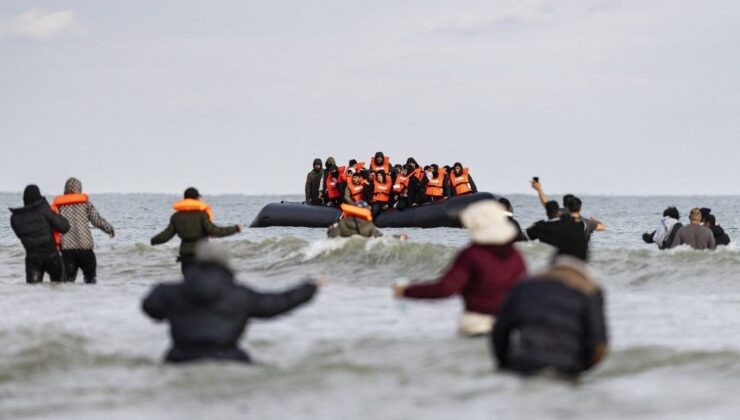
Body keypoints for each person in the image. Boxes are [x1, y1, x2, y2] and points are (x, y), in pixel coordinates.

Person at [142, 241, 321, 364]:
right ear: (226, 264)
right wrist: (310, 287)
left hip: (180, 360)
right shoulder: (239, 294)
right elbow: (277, 303)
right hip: (228, 360)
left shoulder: (173, 293)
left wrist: (167, 294)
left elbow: (149, 306)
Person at [393, 200, 526, 336]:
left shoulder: (472, 254)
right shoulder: (516, 255)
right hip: (508, 325)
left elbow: (446, 288)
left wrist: (406, 291)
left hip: (476, 324)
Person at [492, 254, 608, 377]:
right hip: (565, 368)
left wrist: (503, 363)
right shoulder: (590, 291)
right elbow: (598, 347)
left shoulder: (525, 284)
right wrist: (579, 368)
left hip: (522, 364)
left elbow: (500, 329)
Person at [151, 187, 241, 274]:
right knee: (201, 284)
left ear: (184, 199)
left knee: (188, 283)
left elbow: (166, 235)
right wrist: (235, 229)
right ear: (197, 199)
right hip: (201, 254)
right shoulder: (202, 215)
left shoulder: (176, 216)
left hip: (185, 256)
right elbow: (214, 231)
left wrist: (154, 240)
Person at [51, 177, 115, 284]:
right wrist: (109, 229)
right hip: (85, 249)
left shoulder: (59, 206)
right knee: (90, 281)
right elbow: (96, 220)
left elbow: (52, 225)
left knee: (67, 282)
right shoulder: (86, 204)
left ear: (65, 189)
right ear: (79, 189)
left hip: (67, 250)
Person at [9, 185, 70, 283]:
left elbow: (20, 235)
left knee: (33, 293)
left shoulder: (15, 218)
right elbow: (64, 227)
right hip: (52, 258)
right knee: (59, 290)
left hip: (32, 260)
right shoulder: (44, 210)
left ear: (24, 199)